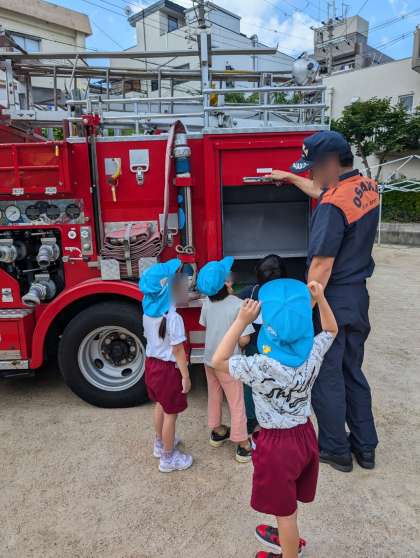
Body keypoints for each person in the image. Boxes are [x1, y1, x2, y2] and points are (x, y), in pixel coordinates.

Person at [268, 130, 379, 472]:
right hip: (357, 297)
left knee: (326, 374)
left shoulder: (331, 208)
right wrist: (290, 178)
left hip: (333, 297)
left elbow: (321, 266)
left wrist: (302, 313)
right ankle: (365, 447)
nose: (310, 174)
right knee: (351, 370)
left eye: (313, 167)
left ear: (330, 163)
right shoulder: (365, 187)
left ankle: (335, 449)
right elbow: (322, 190)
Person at [212, 279, 338, 558]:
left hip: (276, 445)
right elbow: (331, 329)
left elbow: (218, 360)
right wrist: (321, 298)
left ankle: (289, 548)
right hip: (304, 435)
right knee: (289, 501)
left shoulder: (260, 365)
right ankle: (288, 539)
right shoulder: (312, 353)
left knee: (285, 513)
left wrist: (241, 320)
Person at [197, 256, 254, 463]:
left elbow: (206, 324)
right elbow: (244, 339)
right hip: (230, 363)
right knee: (236, 402)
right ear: (226, 283)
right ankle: (243, 444)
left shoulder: (206, 303)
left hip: (209, 360)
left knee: (214, 395)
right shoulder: (238, 305)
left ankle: (217, 431)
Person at [139, 258, 193, 473]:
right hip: (168, 370)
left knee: (160, 404)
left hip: (152, 365)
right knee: (171, 413)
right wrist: (186, 376)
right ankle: (168, 458)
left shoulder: (148, 312)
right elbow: (178, 351)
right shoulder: (173, 318)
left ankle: (160, 443)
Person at [239, 254, 288, 434]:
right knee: (277, 381)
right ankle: (276, 416)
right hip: (277, 348)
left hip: (253, 347)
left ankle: (251, 419)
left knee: (250, 383)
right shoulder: (287, 296)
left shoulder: (248, 293)